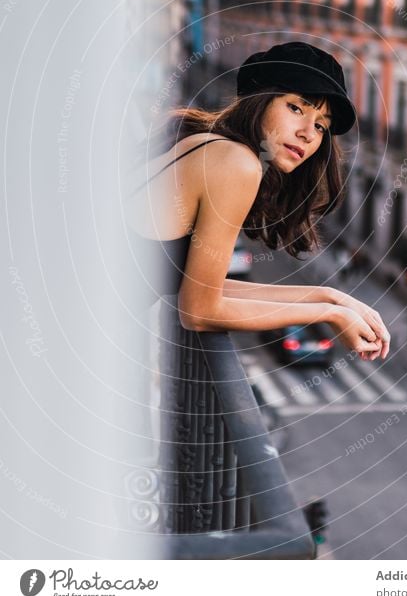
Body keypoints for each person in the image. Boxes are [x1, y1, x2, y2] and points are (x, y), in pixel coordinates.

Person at [123, 41, 390, 361]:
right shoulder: (237, 163)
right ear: (261, 100)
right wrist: (328, 315)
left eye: (321, 125)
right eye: (296, 107)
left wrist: (330, 299)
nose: (308, 132)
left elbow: (207, 288)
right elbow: (198, 310)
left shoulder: (210, 144)